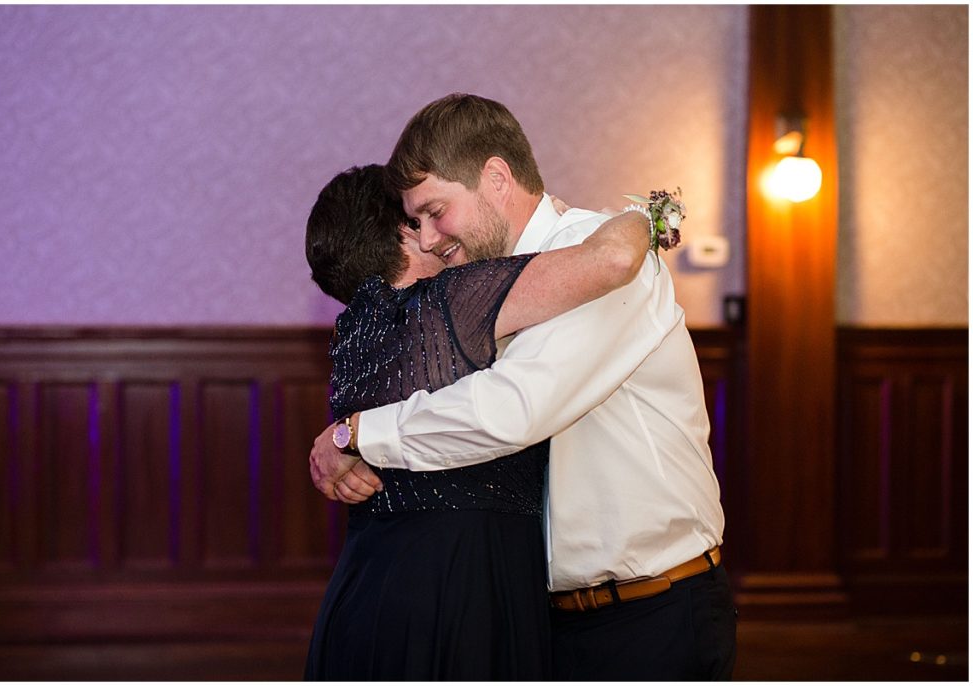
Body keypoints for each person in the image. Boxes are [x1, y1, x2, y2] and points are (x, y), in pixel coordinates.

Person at [309, 94, 737, 680]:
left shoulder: (591, 260)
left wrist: (357, 433)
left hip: (649, 613)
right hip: (543, 616)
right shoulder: (479, 287)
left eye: (436, 212)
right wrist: (340, 440)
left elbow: (515, 410)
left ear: (495, 177)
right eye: (416, 223)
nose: (430, 238)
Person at [302, 163, 652, 680]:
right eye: (422, 217)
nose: (437, 232)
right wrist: (646, 213)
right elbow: (612, 257)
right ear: (404, 232)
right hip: (462, 589)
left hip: (365, 591)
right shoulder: (450, 302)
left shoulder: (350, 339)